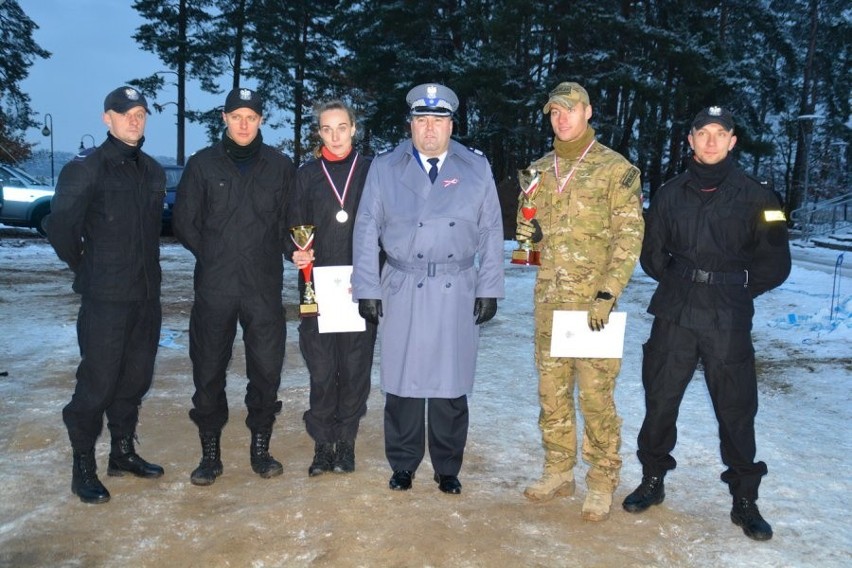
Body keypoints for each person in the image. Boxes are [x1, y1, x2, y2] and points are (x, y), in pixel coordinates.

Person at [621, 106, 791, 541]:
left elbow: (775, 262)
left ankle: (745, 499)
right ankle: (653, 480)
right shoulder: (669, 193)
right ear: (691, 140)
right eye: (703, 133)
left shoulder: (759, 197)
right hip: (675, 311)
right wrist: (686, 282)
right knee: (660, 401)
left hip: (728, 316)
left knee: (737, 409)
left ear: (733, 141)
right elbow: (652, 255)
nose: (711, 141)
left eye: (721, 133)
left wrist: (734, 288)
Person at [351, 83, 504, 495]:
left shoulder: (475, 168)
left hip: (457, 287)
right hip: (402, 284)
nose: (430, 129)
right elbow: (366, 228)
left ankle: (447, 466)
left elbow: (491, 229)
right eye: (422, 120)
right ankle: (402, 463)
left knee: (450, 384)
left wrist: (489, 286)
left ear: (451, 125)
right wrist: (367, 286)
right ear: (410, 125)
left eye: (438, 120)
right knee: (402, 381)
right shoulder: (385, 167)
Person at [519, 81, 644, 522]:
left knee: (595, 396)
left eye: (570, 110)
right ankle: (558, 469)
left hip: (594, 308)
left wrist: (608, 293)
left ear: (588, 112)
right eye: (554, 112)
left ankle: (602, 478)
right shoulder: (536, 171)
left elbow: (630, 236)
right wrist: (527, 235)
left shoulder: (615, 169)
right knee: (551, 394)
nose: (562, 118)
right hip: (550, 302)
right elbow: (528, 235)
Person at [46, 86, 167, 504]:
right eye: (124, 113)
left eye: (140, 113)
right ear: (106, 118)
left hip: (146, 296)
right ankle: (83, 466)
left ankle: (122, 452)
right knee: (97, 383)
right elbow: (60, 226)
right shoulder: (87, 168)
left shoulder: (152, 171)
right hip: (105, 298)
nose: (134, 120)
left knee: (135, 379)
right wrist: (86, 266)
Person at [173, 87, 296, 486]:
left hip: (263, 287)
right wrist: (215, 256)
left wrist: (295, 249)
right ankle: (210, 454)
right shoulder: (202, 165)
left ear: (261, 121)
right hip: (216, 287)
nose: (244, 124)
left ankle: (260, 449)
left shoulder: (279, 166)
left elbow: (288, 225)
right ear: (224, 118)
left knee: (266, 370)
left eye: (252, 117)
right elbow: (185, 222)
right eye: (236, 116)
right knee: (208, 369)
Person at [287, 100, 377, 476]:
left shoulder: (373, 172)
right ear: (319, 133)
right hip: (318, 289)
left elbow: (387, 227)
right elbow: (292, 226)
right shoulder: (306, 175)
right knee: (322, 370)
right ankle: (323, 445)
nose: (335, 135)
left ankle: (347, 443)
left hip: (361, 286)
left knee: (355, 369)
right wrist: (295, 253)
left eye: (342, 127)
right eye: (327, 129)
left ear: (354, 128)